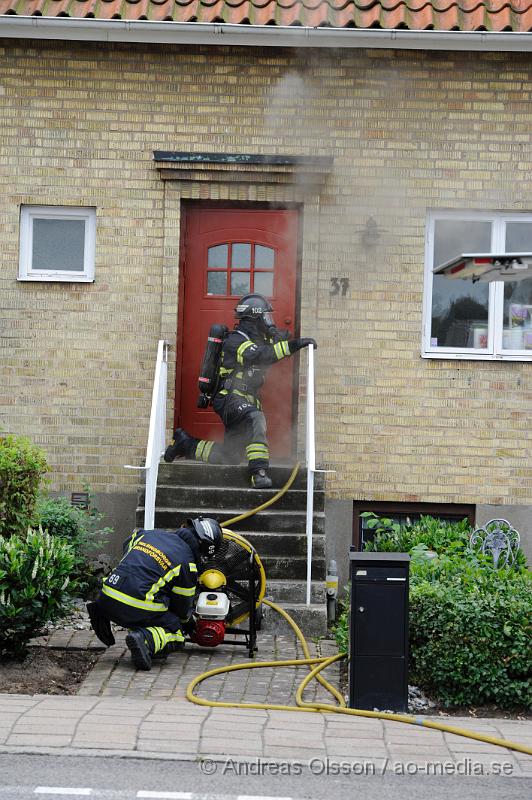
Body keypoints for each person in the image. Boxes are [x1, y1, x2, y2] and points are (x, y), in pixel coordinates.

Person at [164, 293, 317, 489]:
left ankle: (186, 445)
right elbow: (260, 356)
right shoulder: (236, 340)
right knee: (256, 419)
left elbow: (267, 349)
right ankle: (259, 472)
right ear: (255, 318)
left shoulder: (257, 340)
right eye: (266, 317)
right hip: (230, 397)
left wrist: (278, 338)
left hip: (245, 398)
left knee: (231, 455)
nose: (269, 322)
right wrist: (294, 344)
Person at [87, 517, 222, 671]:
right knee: (176, 630)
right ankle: (145, 640)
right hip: (135, 607)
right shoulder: (188, 564)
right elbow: (182, 608)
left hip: (107, 595)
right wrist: (189, 623)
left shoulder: (147, 534)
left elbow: (127, 545)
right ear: (202, 548)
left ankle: (99, 610)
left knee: (144, 599)